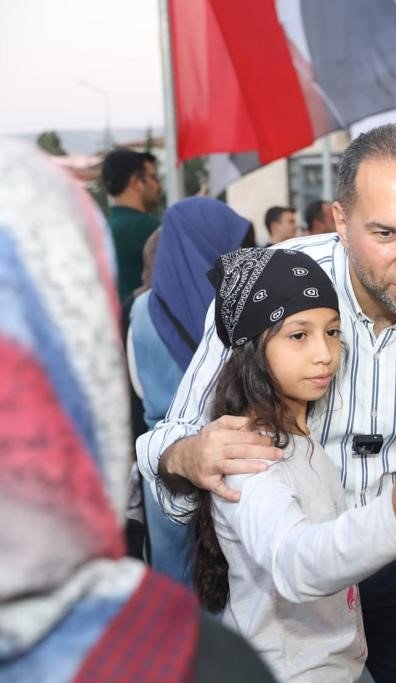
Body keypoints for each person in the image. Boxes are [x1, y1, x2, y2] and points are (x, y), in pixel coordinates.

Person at [138, 123, 396, 683]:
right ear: (341, 222)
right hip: (283, 579)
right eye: (387, 233)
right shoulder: (272, 284)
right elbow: (168, 439)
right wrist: (188, 454)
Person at [0, 137, 274, 683]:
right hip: (220, 464)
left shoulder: (141, 310)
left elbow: (124, 388)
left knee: (171, 564)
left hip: (158, 468)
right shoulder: (228, 315)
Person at [193, 247, 396, 682]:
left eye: (332, 332)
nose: (324, 353)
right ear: (252, 346)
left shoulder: (299, 436)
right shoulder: (249, 454)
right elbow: (296, 563)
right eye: (298, 335)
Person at [127, 197, 255, 583]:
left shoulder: (138, 310)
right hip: (233, 463)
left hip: (163, 467)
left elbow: (135, 384)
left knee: (174, 581)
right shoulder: (237, 306)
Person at [102, 148, 162, 309]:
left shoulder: (104, 227)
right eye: (153, 177)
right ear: (136, 182)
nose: (159, 185)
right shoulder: (148, 229)